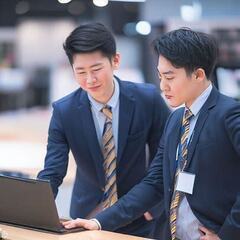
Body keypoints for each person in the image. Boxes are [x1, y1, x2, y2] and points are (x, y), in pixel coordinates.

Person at [63, 28, 240, 240]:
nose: (163, 85)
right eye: (160, 76)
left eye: (169, 77)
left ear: (198, 74)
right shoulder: (176, 120)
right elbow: (154, 182)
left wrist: (228, 234)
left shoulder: (229, 114)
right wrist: (99, 221)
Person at [37, 22, 170, 238]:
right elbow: (53, 170)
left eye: (96, 69)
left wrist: (152, 207)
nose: (90, 80)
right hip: (86, 216)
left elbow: (164, 158)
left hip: (139, 213)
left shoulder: (148, 99)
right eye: (80, 71)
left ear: (115, 60)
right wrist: (36, 209)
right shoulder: (64, 111)